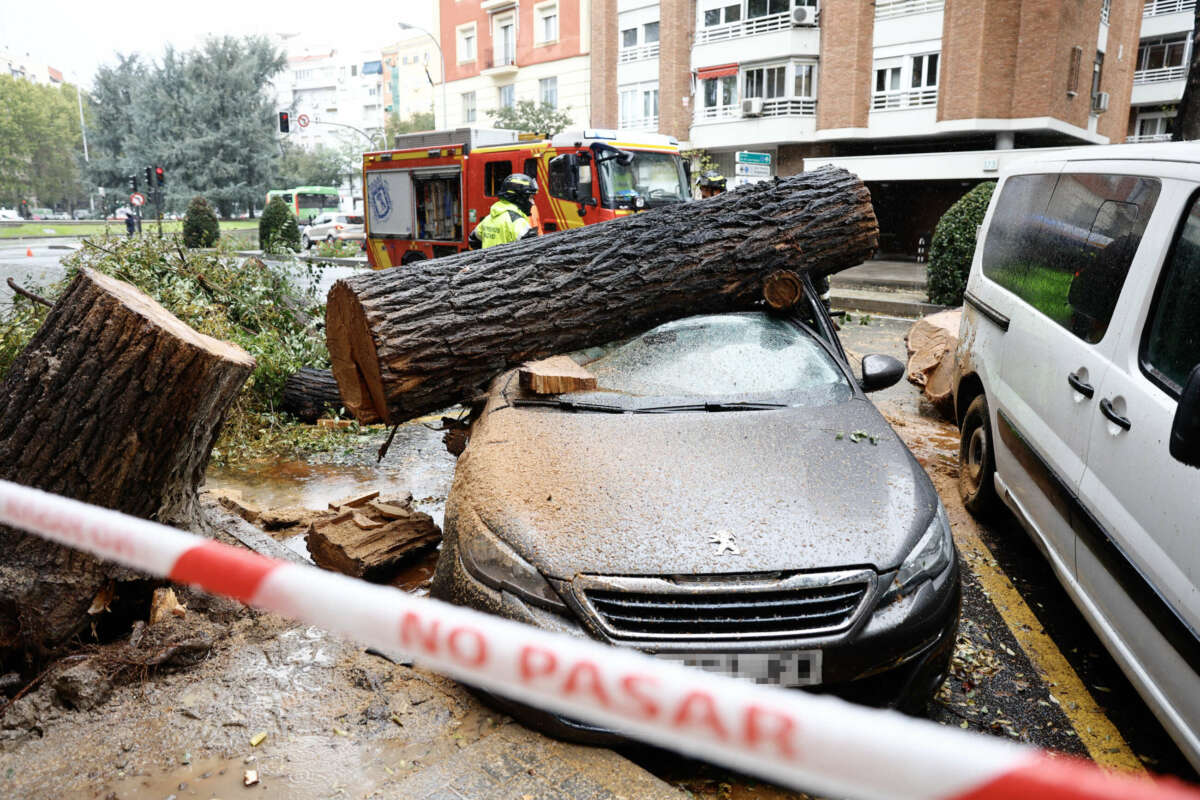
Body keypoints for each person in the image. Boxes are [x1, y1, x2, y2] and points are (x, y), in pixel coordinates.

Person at [469, 173, 539, 249]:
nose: (533, 202)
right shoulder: (517, 222)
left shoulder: (488, 219)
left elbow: (473, 239)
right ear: (519, 198)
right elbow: (531, 250)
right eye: (531, 198)